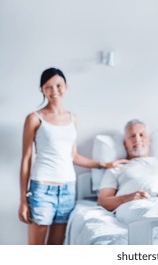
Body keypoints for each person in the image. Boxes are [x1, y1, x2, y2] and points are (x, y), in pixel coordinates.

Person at [18, 67, 127, 245]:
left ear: (66, 87)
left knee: (56, 249)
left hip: (68, 190)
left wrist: (104, 164)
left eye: (58, 85)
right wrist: (23, 200)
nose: (54, 91)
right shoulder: (34, 118)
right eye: (48, 87)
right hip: (42, 190)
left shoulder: (72, 118)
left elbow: (73, 156)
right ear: (42, 90)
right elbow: (26, 160)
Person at [97, 119, 158, 212]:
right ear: (125, 143)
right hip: (135, 210)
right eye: (132, 136)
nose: (137, 139)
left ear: (149, 141)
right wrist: (127, 198)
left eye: (141, 135)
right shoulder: (116, 168)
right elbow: (102, 202)